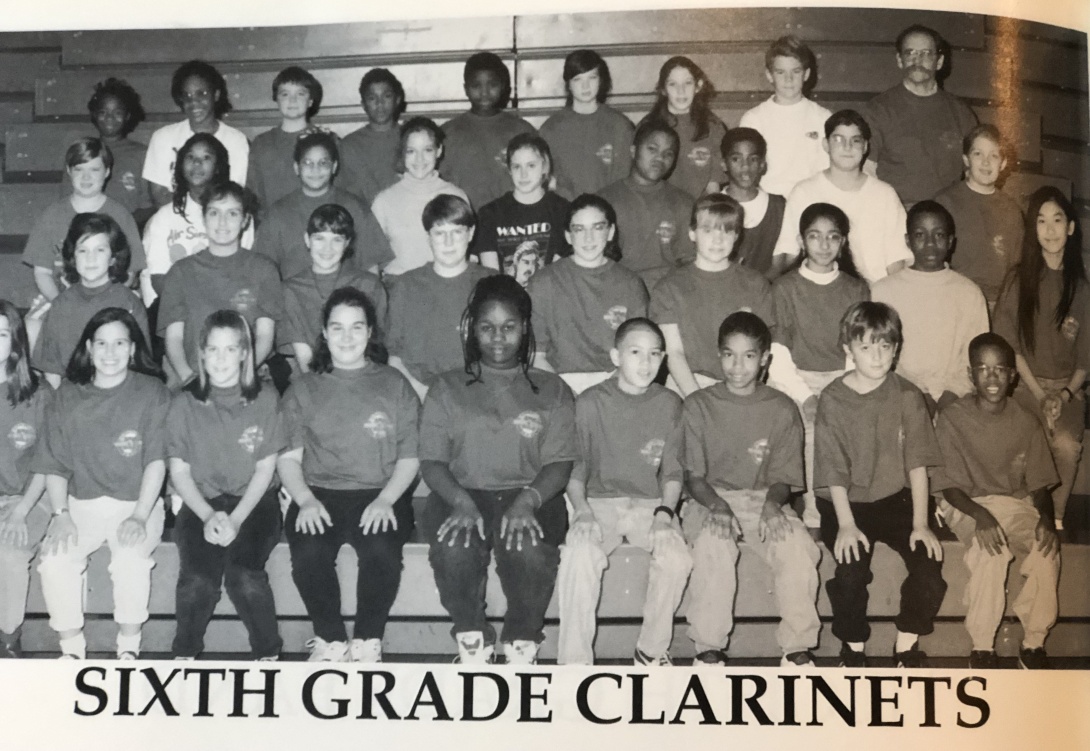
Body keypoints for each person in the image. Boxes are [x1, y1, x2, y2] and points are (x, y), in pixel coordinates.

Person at [419, 275, 576, 665]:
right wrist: (459, 501)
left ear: (525, 328)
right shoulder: (446, 387)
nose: (498, 338)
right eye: (487, 328)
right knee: (454, 546)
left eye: (509, 327)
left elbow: (559, 462)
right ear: (472, 330)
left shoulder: (552, 389)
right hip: (462, 493)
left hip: (529, 493)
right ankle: (473, 637)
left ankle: (522, 638)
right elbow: (432, 462)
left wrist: (528, 501)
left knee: (527, 547)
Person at [279, 288, 420, 663]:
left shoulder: (394, 384)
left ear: (370, 332)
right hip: (319, 492)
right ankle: (331, 640)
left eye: (356, 327)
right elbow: (288, 459)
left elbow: (410, 457)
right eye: (337, 327)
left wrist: (388, 499)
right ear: (323, 333)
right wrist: (305, 500)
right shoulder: (304, 388)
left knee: (380, 551)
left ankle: (367, 640)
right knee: (308, 551)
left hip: (379, 491)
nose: (346, 337)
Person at [681, 311, 820, 666]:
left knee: (798, 547)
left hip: (763, 499)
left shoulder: (781, 407)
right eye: (728, 354)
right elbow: (693, 477)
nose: (737, 366)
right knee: (714, 543)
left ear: (765, 359)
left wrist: (773, 506)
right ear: (718, 355)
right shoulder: (698, 405)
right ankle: (708, 649)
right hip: (711, 499)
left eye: (748, 356)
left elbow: (783, 479)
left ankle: (797, 649)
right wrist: (718, 507)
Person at [814, 301, 946, 668]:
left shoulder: (907, 395)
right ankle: (852, 646)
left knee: (929, 565)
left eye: (885, 346)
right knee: (851, 570)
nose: (876, 357)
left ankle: (906, 644)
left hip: (896, 501)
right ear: (848, 349)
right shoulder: (833, 399)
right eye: (865, 347)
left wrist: (921, 524)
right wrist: (845, 526)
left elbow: (917, 464)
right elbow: (833, 472)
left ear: (896, 348)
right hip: (846, 504)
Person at [35, 308, 169, 659]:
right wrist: (61, 514)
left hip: (138, 501)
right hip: (81, 504)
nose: (111, 353)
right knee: (54, 560)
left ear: (132, 348)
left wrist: (140, 516)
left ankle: (128, 647)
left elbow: (157, 461)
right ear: (89, 350)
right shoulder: (67, 394)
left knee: (129, 559)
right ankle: (72, 650)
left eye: (120, 343)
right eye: (102, 344)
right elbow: (55, 463)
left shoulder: (153, 392)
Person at [556, 318, 690, 665]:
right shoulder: (589, 403)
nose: (646, 363)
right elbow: (577, 467)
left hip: (650, 503)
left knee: (677, 557)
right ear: (616, 356)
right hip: (600, 502)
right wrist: (582, 510)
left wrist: (665, 514)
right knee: (578, 553)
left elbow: (673, 470)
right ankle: (574, 662)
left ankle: (651, 650)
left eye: (655, 354)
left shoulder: (670, 403)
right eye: (635, 352)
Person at [931, 332, 1060, 670]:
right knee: (992, 550)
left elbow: (1040, 487)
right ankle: (983, 645)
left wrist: (1046, 520)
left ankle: (1033, 642)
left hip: (1014, 504)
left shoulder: (1025, 421)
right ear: (971, 374)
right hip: (966, 502)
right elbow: (948, 487)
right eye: (983, 369)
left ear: (1013, 375)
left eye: (1000, 369)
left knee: (1046, 548)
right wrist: (982, 516)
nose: (991, 377)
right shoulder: (953, 418)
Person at [168, 310, 285, 660]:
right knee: (197, 581)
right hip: (201, 503)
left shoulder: (265, 399)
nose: (221, 359)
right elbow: (179, 471)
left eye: (230, 349)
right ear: (200, 352)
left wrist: (235, 519)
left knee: (243, 576)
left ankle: (269, 654)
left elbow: (265, 470)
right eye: (213, 349)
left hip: (255, 503)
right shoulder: (184, 404)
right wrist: (207, 516)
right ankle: (184, 654)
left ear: (245, 353)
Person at [993, 186, 1088, 531]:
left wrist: (1062, 396)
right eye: (1041, 221)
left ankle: (1055, 517)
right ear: (1033, 230)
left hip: (1068, 392)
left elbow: (1085, 360)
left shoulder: (1081, 287)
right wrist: (1038, 394)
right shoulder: (1020, 279)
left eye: (1057, 220)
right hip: (1025, 387)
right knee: (1022, 441)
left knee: (1065, 445)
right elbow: (1010, 346)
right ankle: (1022, 512)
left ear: (1071, 228)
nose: (1050, 230)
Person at [772, 202, 870, 530]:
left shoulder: (855, 289)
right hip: (793, 379)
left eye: (832, 237)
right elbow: (778, 351)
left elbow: (857, 348)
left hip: (841, 378)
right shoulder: (785, 288)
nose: (824, 245)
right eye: (815, 237)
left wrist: (838, 391)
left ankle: (853, 507)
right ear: (801, 241)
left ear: (842, 243)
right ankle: (814, 514)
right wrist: (805, 395)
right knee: (814, 430)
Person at [158, 182, 283, 387]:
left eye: (232, 214)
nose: (222, 222)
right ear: (204, 218)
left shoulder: (264, 270)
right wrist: (190, 380)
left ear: (245, 220)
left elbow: (265, 336)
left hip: (247, 380)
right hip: (192, 381)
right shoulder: (181, 272)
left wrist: (241, 378)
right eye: (214, 213)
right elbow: (173, 339)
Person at [651, 193, 774, 397]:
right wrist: (699, 401)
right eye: (707, 230)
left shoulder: (755, 283)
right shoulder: (670, 287)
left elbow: (761, 351)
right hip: (687, 385)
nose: (718, 240)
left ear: (736, 236)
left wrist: (744, 394)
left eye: (727, 231)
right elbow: (674, 354)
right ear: (692, 233)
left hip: (741, 384)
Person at [872, 200, 989, 412]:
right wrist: (917, 394)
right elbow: (879, 355)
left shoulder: (969, 293)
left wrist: (950, 395)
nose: (930, 244)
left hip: (957, 400)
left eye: (939, 235)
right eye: (920, 235)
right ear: (907, 241)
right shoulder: (882, 292)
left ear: (951, 241)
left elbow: (974, 356)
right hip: (900, 397)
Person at [770, 110, 912, 284]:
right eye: (838, 139)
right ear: (825, 145)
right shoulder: (804, 192)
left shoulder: (885, 195)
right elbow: (787, 254)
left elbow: (897, 261)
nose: (847, 147)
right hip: (820, 291)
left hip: (874, 296)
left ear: (866, 147)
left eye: (856, 140)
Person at [528, 194, 649, 394]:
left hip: (615, 381)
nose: (588, 238)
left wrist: (603, 396)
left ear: (610, 232)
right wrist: (567, 394)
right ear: (568, 236)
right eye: (579, 229)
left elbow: (636, 354)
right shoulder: (543, 282)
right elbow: (536, 356)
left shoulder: (630, 283)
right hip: (558, 382)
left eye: (597, 227)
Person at [386, 194, 496, 401]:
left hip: (481, 398)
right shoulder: (405, 286)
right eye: (439, 233)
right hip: (421, 397)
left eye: (456, 232)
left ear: (471, 234)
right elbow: (395, 359)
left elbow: (507, 353)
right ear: (428, 237)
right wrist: (425, 396)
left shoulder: (493, 283)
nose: (448, 242)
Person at [863, 25, 978, 206]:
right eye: (910, 53)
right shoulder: (878, 109)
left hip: (947, 216)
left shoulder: (961, 114)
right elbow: (866, 172)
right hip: (896, 215)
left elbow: (975, 173)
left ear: (939, 62)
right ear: (900, 60)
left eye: (926, 53)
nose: (917, 60)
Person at [255, 132, 392, 281]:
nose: (315, 169)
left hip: (347, 299)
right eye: (308, 163)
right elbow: (263, 269)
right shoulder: (278, 213)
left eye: (323, 163)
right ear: (296, 167)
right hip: (294, 300)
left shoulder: (354, 207)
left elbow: (370, 267)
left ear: (334, 167)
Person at [23, 138, 145, 304]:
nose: (86, 177)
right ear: (69, 170)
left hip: (110, 301)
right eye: (79, 169)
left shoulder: (121, 215)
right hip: (61, 300)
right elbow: (42, 273)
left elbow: (129, 273)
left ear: (107, 171)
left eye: (95, 169)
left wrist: (105, 302)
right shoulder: (52, 215)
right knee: (32, 325)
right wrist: (61, 304)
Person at [34, 213, 150, 388]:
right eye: (83, 250)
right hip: (74, 400)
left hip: (119, 397)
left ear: (113, 258)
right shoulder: (61, 305)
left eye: (100, 250)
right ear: (73, 257)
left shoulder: (129, 303)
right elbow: (52, 372)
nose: (91, 258)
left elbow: (141, 367)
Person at [140, 133, 254, 306]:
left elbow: (244, 274)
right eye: (190, 157)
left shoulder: (237, 215)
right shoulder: (164, 218)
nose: (197, 163)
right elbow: (158, 278)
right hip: (176, 308)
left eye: (206, 157)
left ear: (218, 167)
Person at [281, 204, 387, 374]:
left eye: (336, 240)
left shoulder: (369, 285)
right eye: (319, 238)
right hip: (313, 381)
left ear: (347, 243)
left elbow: (374, 347)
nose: (327, 249)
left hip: (364, 377)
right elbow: (304, 358)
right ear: (307, 240)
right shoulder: (291, 290)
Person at [0, 301, 49, 658]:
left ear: (15, 343)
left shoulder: (37, 393)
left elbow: (49, 463)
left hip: (32, 493)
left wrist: (22, 509)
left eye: (1, 335)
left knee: (10, 552)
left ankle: (8, 639)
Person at [934, 124, 1024, 307]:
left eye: (994, 155)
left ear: (1003, 163)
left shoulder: (1012, 211)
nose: (985, 162)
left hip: (999, 306)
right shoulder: (945, 203)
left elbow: (1018, 271)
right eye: (978, 154)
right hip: (955, 301)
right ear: (966, 159)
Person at [598, 120, 695, 288]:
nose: (660, 158)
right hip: (620, 289)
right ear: (633, 151)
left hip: (669, 291)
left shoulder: (683, 203)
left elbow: (688, 261)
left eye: (668, 153)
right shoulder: (605, 200)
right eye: (652, 149)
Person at [370, 117, 469, 276]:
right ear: (402, 154)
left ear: (439, 151)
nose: (420, 159)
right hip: (399, 289)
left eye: (427, 150)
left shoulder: (455, 195)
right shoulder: (384, 201)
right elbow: (371, 261)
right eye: (411, 151)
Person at [142, 60, 249, 207]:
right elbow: (159, 194)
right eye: (187, 95)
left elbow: (235, 193)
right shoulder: (163, 137)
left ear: (216, 95)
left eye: (202, 94)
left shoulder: (236, 140)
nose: (194, 102)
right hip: (175, 220)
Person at [440, 52, 535, 209]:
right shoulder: (447, 133)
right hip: (463, 223)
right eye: (476, 86)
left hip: (511, 222)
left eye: (492, 85)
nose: (484, 92)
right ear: (465, 89)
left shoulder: (521, 131)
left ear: (503, 86)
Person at [739, 35, 831, 198]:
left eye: (796, 71)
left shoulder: (822, 117)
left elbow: (827, 172)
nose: (789, 79)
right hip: (768, 204)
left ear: (806, 74)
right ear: (769, 75)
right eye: (780, 72)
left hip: (811, 203)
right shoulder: (754, 119)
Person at [476, 134, 570, 286]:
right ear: (509, 169)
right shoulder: (490, 213)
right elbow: (491, 277)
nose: (523, 174)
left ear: (545, 166)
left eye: (531, 165)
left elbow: (557, 275)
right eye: (517, 166)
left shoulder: (563, 210)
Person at [539, 49, 634, 199]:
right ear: (568, 84)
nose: (585, 86)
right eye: (578, 80)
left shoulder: (620, 126)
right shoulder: (551, 129)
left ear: (601, 80)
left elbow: (625, 184)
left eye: (592, 78)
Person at [641, 56, 728, 199]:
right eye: (673, 84)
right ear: (663, 89)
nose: (681, 91)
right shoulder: (648, 126)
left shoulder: (714, 127)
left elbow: (714, 187)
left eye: (687, 83)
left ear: (698, 86)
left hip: (699, 210)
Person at [247, 66, 324, 210]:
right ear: (276, 99)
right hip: (274, 226)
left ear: (311, 101)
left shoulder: (326, 140)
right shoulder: (262, 144)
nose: (292, 100)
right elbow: (254, 195)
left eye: (300, 94)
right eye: (285, 94)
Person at [83, 78, 153, 222]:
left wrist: (122, 225)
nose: (110, 118)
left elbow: (149, 206)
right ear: (94, 115)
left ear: (127, 116)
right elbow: (68, 202)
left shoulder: (142, 154)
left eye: (117, 112)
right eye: (103, 112)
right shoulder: (82, 152)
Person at [719, 127, 785, 277]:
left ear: (762, 164)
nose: (745, 166)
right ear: (723, 164)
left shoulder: (779, 207)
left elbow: (778, 266)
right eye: (736, 159)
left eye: (753, 159)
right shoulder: (711, 207)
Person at [339, 68, 407, 205]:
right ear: (363, 104)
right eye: (372, 98)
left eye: (386, 96)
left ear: (397, 100)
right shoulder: (349, 145)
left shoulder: (410, 139)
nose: (379, 103)